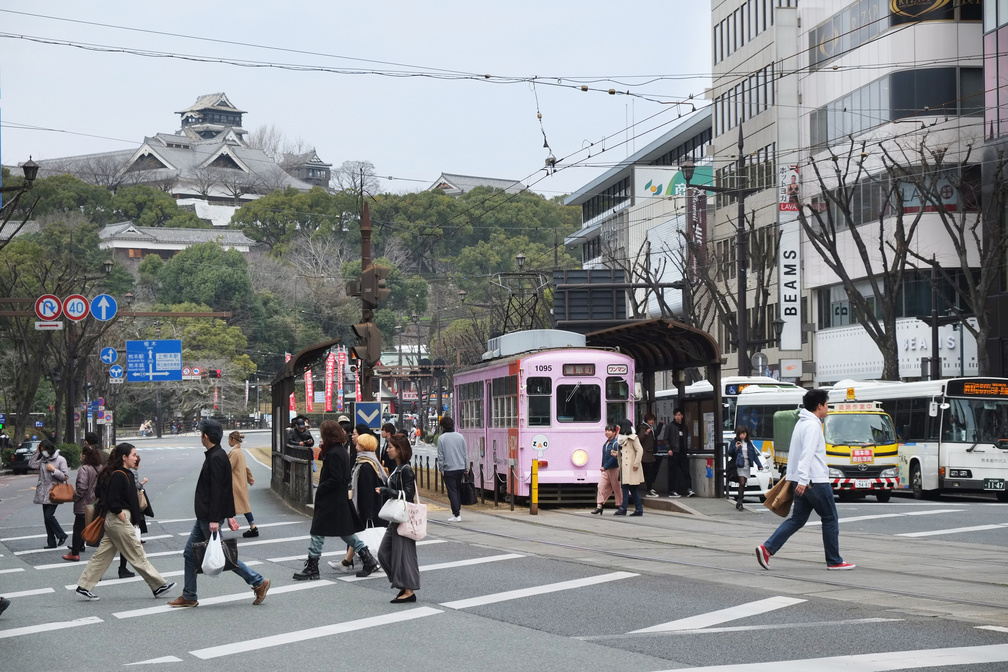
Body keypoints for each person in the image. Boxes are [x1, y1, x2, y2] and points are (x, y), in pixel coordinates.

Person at [168, 418, 270, 608]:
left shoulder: (215, 457)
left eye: (201, 434)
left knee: (223, 555)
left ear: (205, 436)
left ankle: (257, 581)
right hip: (206, 517)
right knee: (190, 554)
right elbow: (225, 488)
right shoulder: (218, 454)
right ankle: (189, 594)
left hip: (209, 517)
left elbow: (217, 489)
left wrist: (216, 518)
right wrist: (228, 515)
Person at [756, 389, 855, 571]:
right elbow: (807, 455)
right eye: (826, 404)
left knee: (797, 520)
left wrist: (797, 480)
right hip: (813, 480)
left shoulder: (801, 423)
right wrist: (803, 480)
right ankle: (834, 560)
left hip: (800, 481)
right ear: (819, 406)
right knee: (830, 518)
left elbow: (795, 455)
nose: (827, 408)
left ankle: (767, 549)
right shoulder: (813, 426)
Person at [74, 443, 175, 601]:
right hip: (118, 520)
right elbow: (112, 500)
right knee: (136, 552)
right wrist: (121, 514)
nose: (136, 457)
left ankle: (84, 586)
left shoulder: (123, 473)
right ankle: (158, 585)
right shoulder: (119, 475)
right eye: (133, 454)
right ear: (124, 457)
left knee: (102, 555)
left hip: (116, 521)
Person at [292, 421, 379, 581]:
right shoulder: (339, 451)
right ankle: (368, 559)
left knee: (317, 532)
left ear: (328, 435)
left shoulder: (334, 453)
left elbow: (337, 478)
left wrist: (322, 488)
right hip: (338, 499)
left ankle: (312, 567)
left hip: (330, 500)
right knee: (345, 532)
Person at [332, 432, 387, 572]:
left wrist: (367, 511)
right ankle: (346, 562)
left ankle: (351, 562)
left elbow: (367, 489)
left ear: (363, 446)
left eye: (358, 444)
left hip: (366, 507)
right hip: (367, 506)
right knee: (356, 534)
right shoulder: (370, 462)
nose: (355, 446)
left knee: (357, 535)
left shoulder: (366, 466)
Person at [378, 433, 420, 603]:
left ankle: (408, 590)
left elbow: (408, 495)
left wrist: (388, 491)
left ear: (399, 450)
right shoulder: (398, 468)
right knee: (383, 553)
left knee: (404, 555)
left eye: (390, 447)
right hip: (395, 517)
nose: (387, 450)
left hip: (403, 517)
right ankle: (402, 584)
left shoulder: (406, 469)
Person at [64, 436, 104, 562]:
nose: (81, 456)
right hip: (95, 502)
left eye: (82, 454)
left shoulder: (84, 469)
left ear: (85, 456)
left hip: (84, 504)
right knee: (95, 526)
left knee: (78, 528)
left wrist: (75, 498)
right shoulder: (100, 468)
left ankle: (75, 552)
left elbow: (82, 488)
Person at [29, 439, 69, 549]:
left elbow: (65, 476)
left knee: (49, 516)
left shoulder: (60, 459)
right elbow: (32, 464)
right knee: (46, 518)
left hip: (54, 492)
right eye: (41, 450)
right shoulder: (43, 459)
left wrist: (54, 470)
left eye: (44, 450)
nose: (43, 452)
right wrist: (36, 452)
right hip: (43, 492)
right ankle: (51, 542)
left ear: (49, 449)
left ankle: (62, 535)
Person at [227, 431, 259, 538]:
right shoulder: (239, 451)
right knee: (244, 506)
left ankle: (217, 528)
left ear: (233, 440)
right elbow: (246, 466)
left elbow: (228, 468)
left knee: (227, 504)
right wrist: (250, 478)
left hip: (235, 483)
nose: (228, 441)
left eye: (229, 439)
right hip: (241, 482)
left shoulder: (234, 453)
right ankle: (253, 526)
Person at [437, 415, 467, 522]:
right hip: (460, 467)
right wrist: (466, 467)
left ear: (443, 426)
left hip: (449, 469)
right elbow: (464, 454)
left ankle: (456, 514)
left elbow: (441, 456)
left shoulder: (441, 438)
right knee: (457, 490)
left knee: (452, 491)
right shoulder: (460, 437)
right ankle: (457, 511)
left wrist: (441, 469)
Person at [614, 419, 644, 516]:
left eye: (620, 426)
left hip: (631, 467)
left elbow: (640, 450)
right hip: (624, 467)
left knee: (626, 487)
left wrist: (636, 464)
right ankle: (638, 509)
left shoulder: (633, 438)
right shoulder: (621, 439)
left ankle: (624, 508)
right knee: (631, 489)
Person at [730, 425, 764, 511]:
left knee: (744, 483)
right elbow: (730, 452)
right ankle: (740, 502)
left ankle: (739, 501)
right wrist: (736, 447)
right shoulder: (735, 441)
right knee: (741, 482)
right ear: (738, 434)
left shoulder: (749, 443)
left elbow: (754, 455)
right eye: (741, 434)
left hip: (747, 464)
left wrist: (759, 465)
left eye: (744, 434)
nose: (742, 436)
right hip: (739, 465)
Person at [591, 424, 622, 515]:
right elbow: (604, 457)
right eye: (606, 431)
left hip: (614, 468)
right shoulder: (606, 444)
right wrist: (604, 466)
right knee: (600, 486)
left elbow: (614, 458)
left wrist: (605, 466)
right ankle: (599, 506)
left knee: (617, 488)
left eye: (609, 431)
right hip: (606, 469)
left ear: (614, 432)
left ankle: (621, 506)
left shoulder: (615, 444)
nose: (607, 432)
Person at [665, 408, 695, 498]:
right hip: (673, 452)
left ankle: (689, 489)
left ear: (682, 416)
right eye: (676, 415)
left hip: (683, 453)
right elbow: (665, 439)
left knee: (686, 472)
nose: (678, 417)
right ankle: (672, 490)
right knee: (672, 473)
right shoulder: (670, 426)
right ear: (674, 416)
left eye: (679, 415)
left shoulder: (684, 427)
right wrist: (668, 449)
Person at [638, 413, 659, 498]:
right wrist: (646, 433)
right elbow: (639, 439)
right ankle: (649, 489)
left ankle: (650, 488)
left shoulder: (651, 428)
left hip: (649, 454)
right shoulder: (644, 428)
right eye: (650, 420)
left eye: (653, 420)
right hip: (645, 455)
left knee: (649, 473)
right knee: (648, 473)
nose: (652, 422)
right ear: (646, 420)